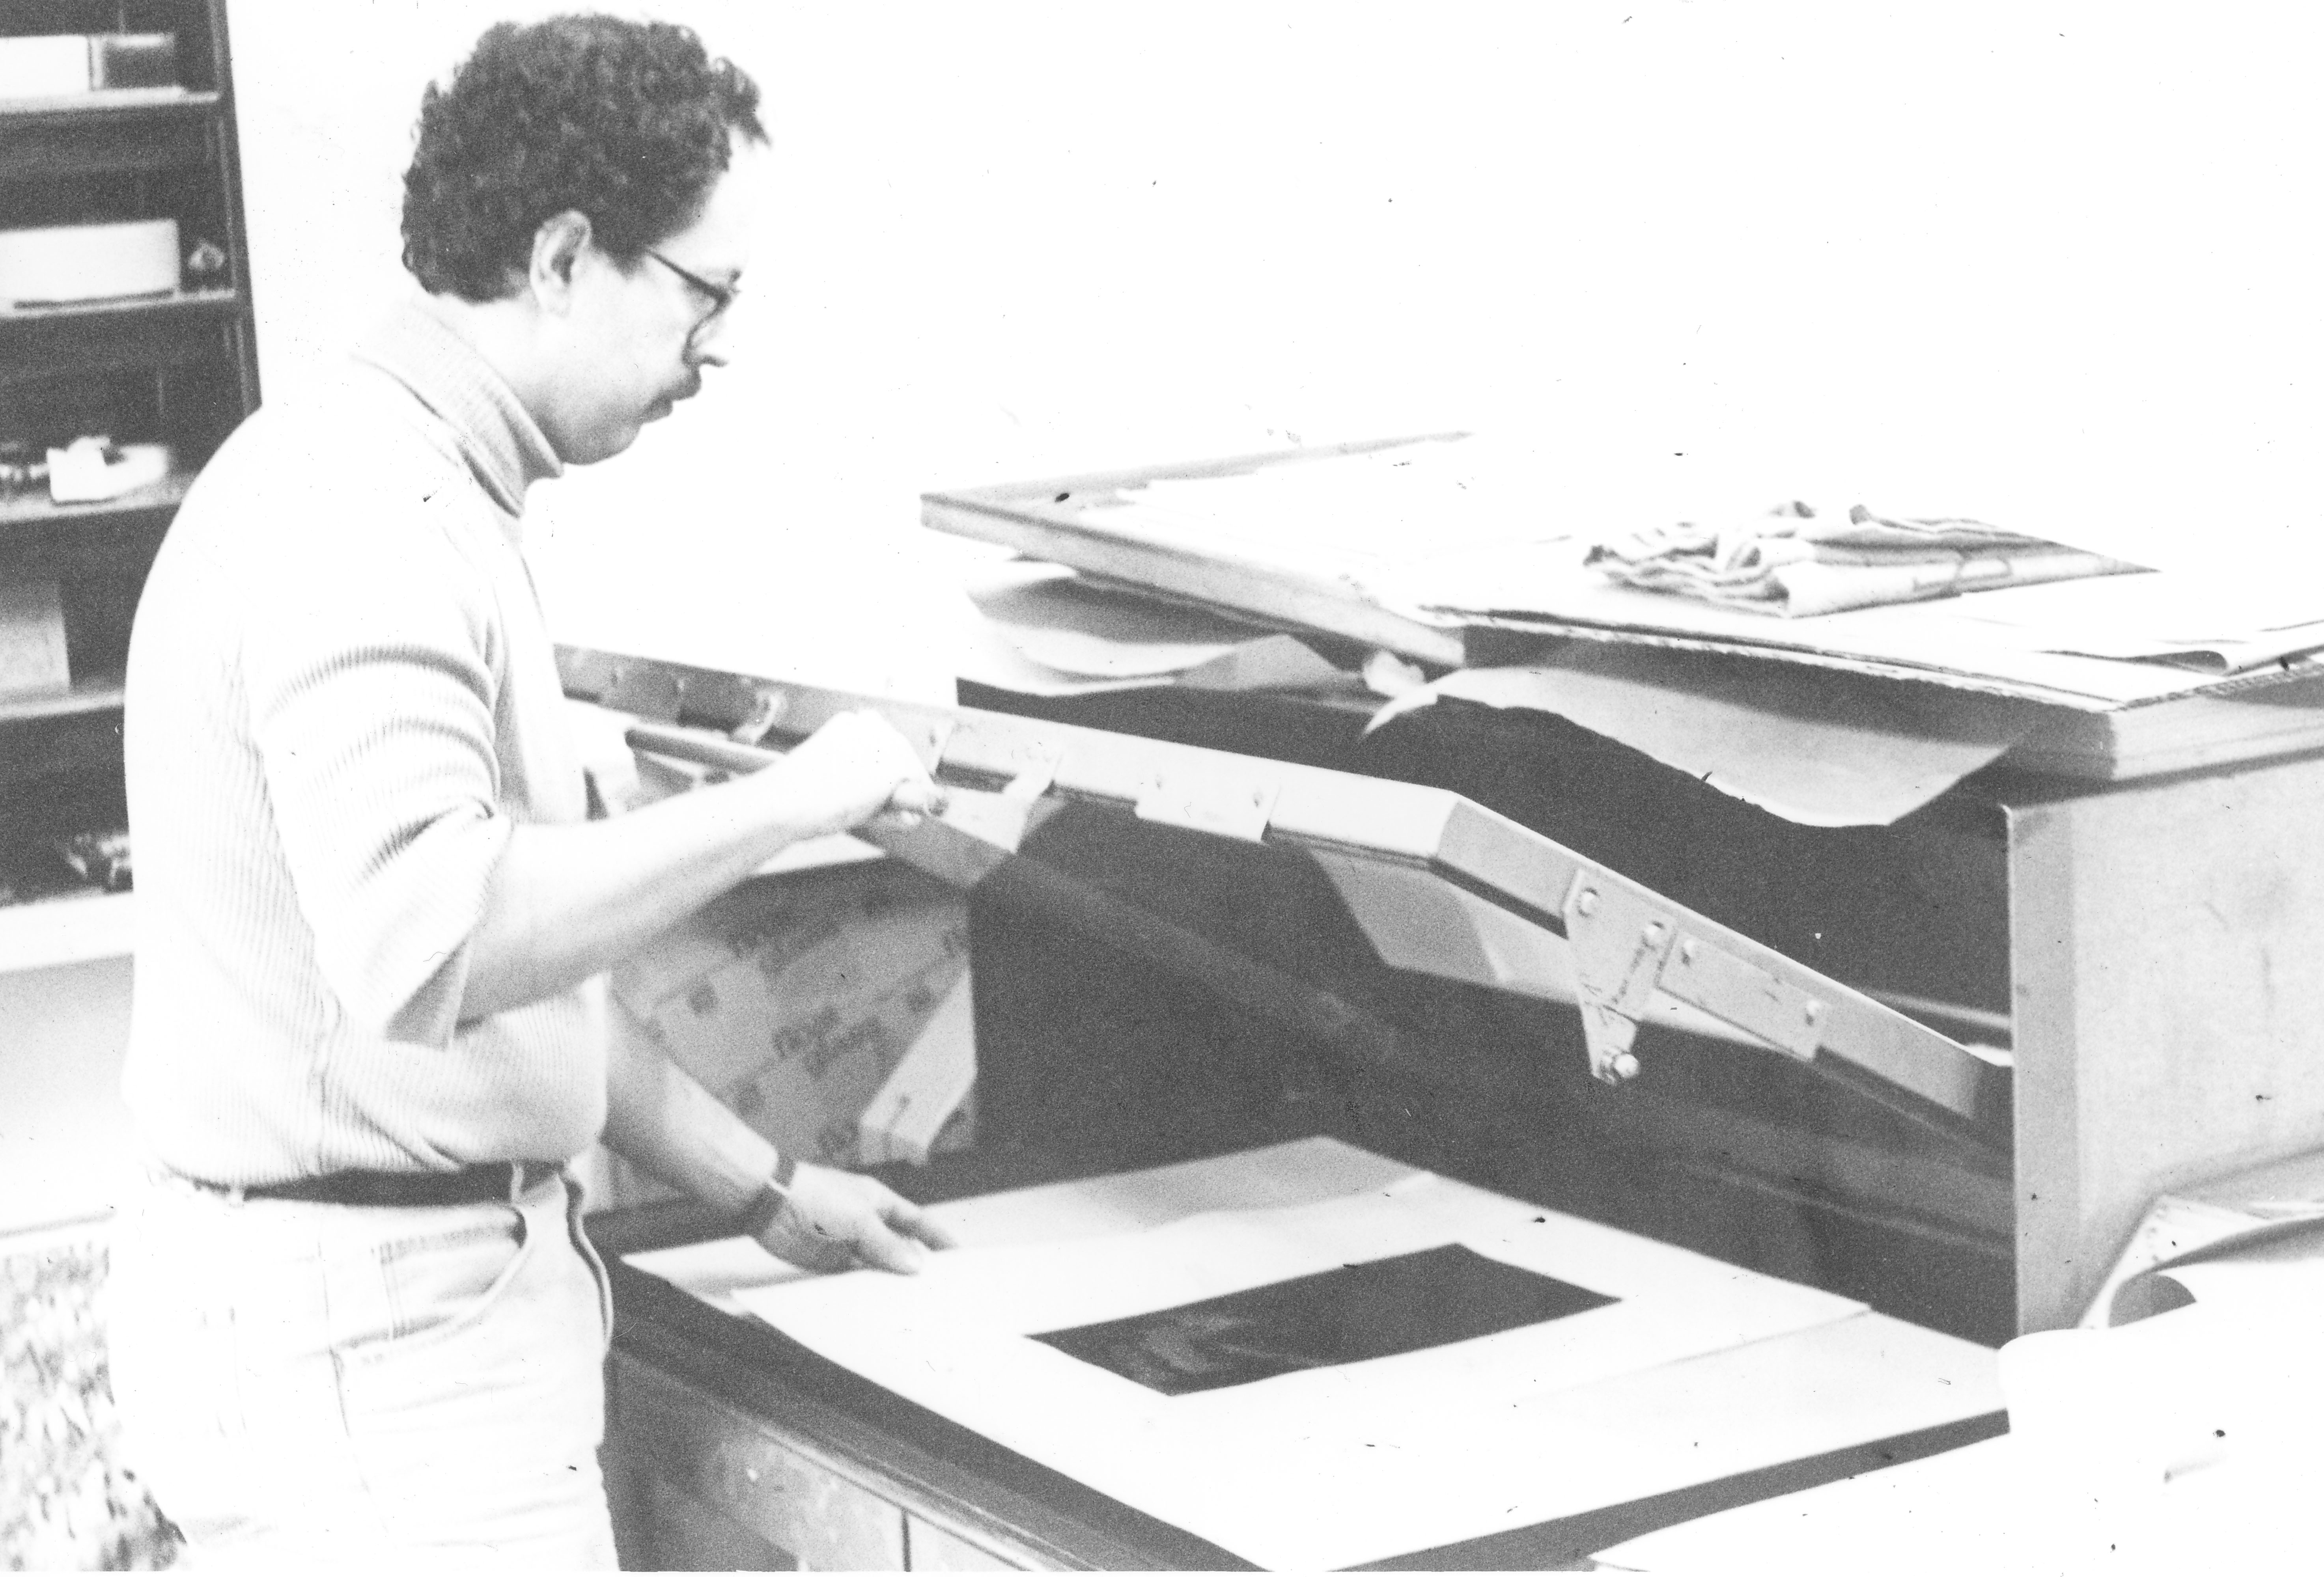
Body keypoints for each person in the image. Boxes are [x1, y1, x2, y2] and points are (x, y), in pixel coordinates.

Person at [104, 15, 952, 1566]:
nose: (715, 348)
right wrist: (797, 797)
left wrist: (763, 1187)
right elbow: (438, 941)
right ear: (563, 257)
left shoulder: (405, 482)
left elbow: (515, 997)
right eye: (705, 292)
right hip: (380, 1361)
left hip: (382, 1319)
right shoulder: (371, 517)